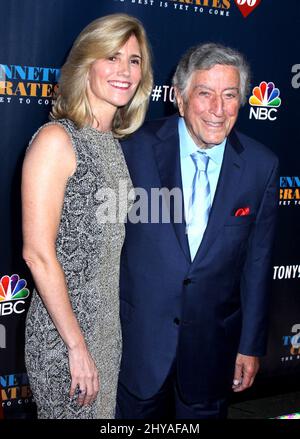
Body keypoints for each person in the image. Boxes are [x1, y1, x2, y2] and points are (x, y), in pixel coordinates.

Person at [117, 43, 279, 419]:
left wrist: (250, 345)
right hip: (138, 348)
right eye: (205, 94)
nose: (218, 110)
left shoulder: (260, 166)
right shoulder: (133, 149)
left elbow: (257, 265)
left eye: (230, 95)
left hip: (212, 352)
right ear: (179, 96)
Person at [22, 13, 152, 419]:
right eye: (111, 57)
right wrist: (77, 348)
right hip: (65, 337)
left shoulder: (112, 143)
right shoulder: (56, 140)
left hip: (105, 330)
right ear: (85, 65)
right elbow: (37, 254)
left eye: (134, 60)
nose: (124, 71)